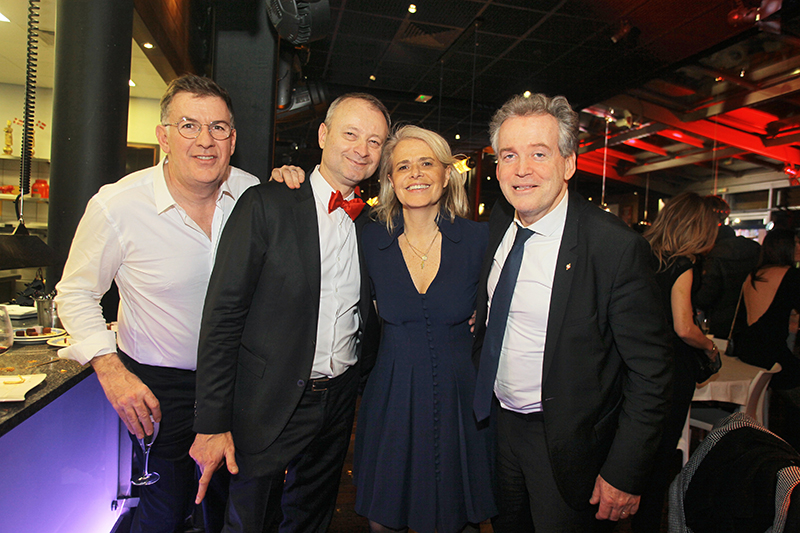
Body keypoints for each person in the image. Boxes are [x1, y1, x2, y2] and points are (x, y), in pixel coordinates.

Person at [55, 74, 259, 533]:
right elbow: (76, 293)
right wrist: (110, 370)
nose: (205, 141)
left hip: (235, 384)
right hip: (158, 389)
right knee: (162, 512)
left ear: (232, 140)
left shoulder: (253, 195)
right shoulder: (117, 205)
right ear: (163, 136)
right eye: (189, 125)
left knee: (232, 511)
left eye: (218, 127)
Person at [471, 93, 673, 532]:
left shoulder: (613, 248)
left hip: (569, 445)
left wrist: (624, 471)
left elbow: (652, 373)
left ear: (568, 164)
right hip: (498, 429)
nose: (521, 169)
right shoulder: (500, 224)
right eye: (509, 155)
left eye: (539, 154)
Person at [189, 93, 388, 533]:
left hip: (338, 401)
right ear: (323, 135)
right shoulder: (266, 203)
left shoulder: (371, 225)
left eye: (374, 141)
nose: (362, 149)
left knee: (311, 519)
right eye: (351, 134)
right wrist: (212, 422)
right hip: (265, 400)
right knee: (248, 520)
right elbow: (222, 317)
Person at [353, 125, 496, 533]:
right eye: (403, 166)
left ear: (447, 174)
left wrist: (484, 318)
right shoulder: (367, 238)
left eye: (426, 163)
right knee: (384, 519)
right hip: (391, 396)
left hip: (460, 399)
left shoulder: (480, 240)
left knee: (458, 518)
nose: (415, 173)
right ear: (390, 179)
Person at [633, 191, 720, 532]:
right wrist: (709, 346)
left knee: (637, 450)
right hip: (671, 369)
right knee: (659, 459)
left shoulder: (643, 256)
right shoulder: (682, 265)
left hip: (639, 362)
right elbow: (684, 327)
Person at [730, 228, 800, 389]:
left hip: (746, 351)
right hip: (771, 357)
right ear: (785, 247)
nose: (799, 247)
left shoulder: (754, 274)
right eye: (796, 243)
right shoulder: (791, 276)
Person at [695, 195, 760, 338]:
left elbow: (705, 297)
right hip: (749, 318)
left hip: (718, 323)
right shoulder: (752, 248)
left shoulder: (715, 254)